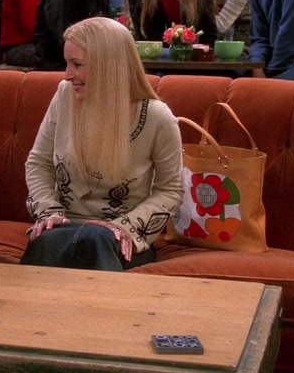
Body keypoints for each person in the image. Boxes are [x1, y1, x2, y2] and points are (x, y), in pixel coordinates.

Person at [21, 17, 183, 271]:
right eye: (67, 63)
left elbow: (170, 189)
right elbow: (38, 162)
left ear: (108, 66)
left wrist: (125, 227)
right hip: (63, 229)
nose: (67, 75)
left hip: (118, 237)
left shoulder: (157, 117)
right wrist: (49, 212)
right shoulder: (65, 94)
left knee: (95, 239)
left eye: (77, 64)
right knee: (53, 242)